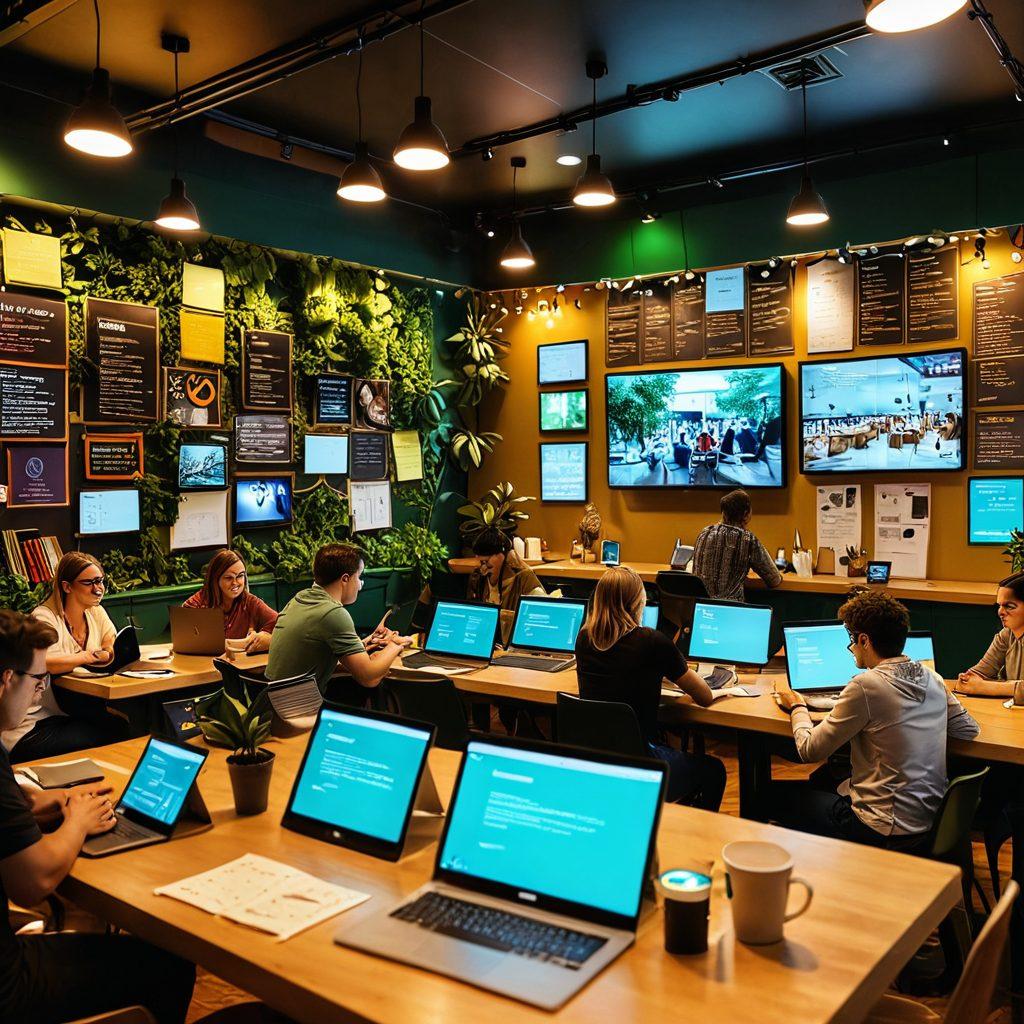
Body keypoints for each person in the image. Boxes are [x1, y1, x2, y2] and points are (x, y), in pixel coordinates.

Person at [0, 609, 195, 1023]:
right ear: (6, 680)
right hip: (9, 986)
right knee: (171, 965)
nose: (41, 691)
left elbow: (9, 810)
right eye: (37, 679)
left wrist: (48, 803)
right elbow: (33, 881)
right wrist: (78, 822)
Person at [771, 591, 979, 850]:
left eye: (851, 640)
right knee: (826, 778)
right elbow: (968, 730)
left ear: (864, 640)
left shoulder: (865, 686)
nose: (851, 648)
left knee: (772, 797)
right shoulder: (932, 677)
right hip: (929, 821)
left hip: (880, 828)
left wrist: (798, 707)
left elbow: (809, 750)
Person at [575, 566, 726, 810]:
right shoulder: (652, 642)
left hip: (596, 762)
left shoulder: (584, 639)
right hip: (643, 763)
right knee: (714, 770)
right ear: (638, 603)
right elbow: (704, 696)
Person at [4, 553, 128, 763]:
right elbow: (46, 662)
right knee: (113, 731)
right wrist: (87, 656)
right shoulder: (44, 617)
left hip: (63, 713)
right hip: (31, 725)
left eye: (100, 581)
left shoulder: (95, 611)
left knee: (120, 724)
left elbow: (110, 637)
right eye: (89, 583)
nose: (98, 588)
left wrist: (107, 649)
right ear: (67, 586)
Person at [265, 543, 409, 694]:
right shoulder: (332, 613)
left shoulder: (300, 599)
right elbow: (369, 678)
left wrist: (367, 642)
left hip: (274, 701)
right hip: (300, 705)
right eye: (359, 577)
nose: (360, 585)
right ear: (345, 579)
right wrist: (395, 644)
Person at [411, 528, 545, 633]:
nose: (484, 569)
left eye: (487, 562)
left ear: (503, 555)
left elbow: (543, 613)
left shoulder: (524, 577)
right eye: (481, 562)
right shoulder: (478, 578)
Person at [691, 489, 782, 602]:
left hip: (700, 607)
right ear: (746, 514)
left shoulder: (704, 533)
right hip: (731, 608)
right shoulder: (747, 539)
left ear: (723, 512)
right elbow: (774, 580)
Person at [182, 549, 278, 654]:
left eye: (240, 576)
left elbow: (281, 625)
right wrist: (245, 642)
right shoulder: (194, 605)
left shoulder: (250, 602)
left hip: (241, 663)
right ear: (215, 579)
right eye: (228, 578)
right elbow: (190, 644)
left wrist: (266, 638)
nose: (235, 583)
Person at [955, 572, 1024, 699]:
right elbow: (972, 678)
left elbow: (977, 685)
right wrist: (969, 681)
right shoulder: (1006, 635)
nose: (1000, 612)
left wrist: (984, 687)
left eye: (1009, 606)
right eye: (999, 606)